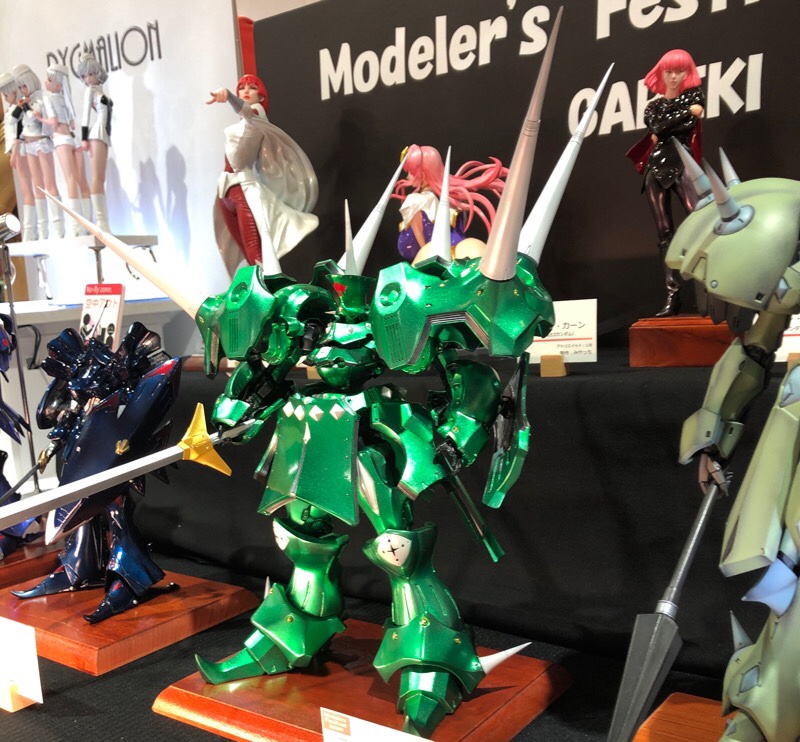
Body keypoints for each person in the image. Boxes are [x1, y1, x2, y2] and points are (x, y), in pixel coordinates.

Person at [206, 74, 318, 275]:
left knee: (255, 252)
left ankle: (266, 288)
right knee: (244, 252)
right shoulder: (240, 125)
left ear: (261, 97)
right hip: (225, 192)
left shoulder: (257, 115)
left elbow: (245, 109)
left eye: (252, 88)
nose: (246, 91)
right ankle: (252, 288)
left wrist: (229, 95)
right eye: (242, 88)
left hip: (243, 190)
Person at [627, 49, 704, 317]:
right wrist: (685, 114)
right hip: (656, 168)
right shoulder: (654, 106)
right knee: (664, 233)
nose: (673, 76)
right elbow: (658, 128)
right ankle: (673, 294)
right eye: (668, 71)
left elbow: (671, 129)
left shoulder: (694, 95)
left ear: (687, 73)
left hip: (684, 164)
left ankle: (707, 288)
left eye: (679, 71)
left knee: (699, 222)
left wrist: (671, 124)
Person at [392, 144, 507, 263]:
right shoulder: (454, 199)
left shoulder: (416, 200)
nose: (407, 176)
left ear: (423, 174)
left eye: (410, 172)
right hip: (458, 249)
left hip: (435, 254)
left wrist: (427, 256)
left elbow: (420, 235)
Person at [11, 64, 64, 239]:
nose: (22, 90)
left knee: (50, 184)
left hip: (42, 142)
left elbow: (35, 116)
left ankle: (59, 228)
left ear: (30, 82)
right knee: (37, 187)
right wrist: (20, 107)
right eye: (20, 87)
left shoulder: (42, 98)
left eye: (24, 86)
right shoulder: (25, 101)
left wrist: (26, 106)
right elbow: (15, 122)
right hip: (29, 145)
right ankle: (43, 231)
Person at [41, 64, 83, 236]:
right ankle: (82, 224)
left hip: (60, 139)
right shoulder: (66, 99)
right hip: (72, 138)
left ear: (58, 84)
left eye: (49, 80)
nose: (46, 82)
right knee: (78, 180)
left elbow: (52, 122)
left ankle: (76, 226)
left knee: (70, 179)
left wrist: (38, 118)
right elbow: (72, 124)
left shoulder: (49, 99)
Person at [77, 52, 112, 231]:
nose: (87, 79)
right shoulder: (90, 91)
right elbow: (85, 116)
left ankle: (103, 223)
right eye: (84, 76)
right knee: (97, 177)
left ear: (97, 72)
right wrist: (84, 138)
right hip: (96, 133)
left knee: (101, 177)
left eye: (90, 74)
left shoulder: (99, 90)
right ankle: (101, 222)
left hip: (104, 134)